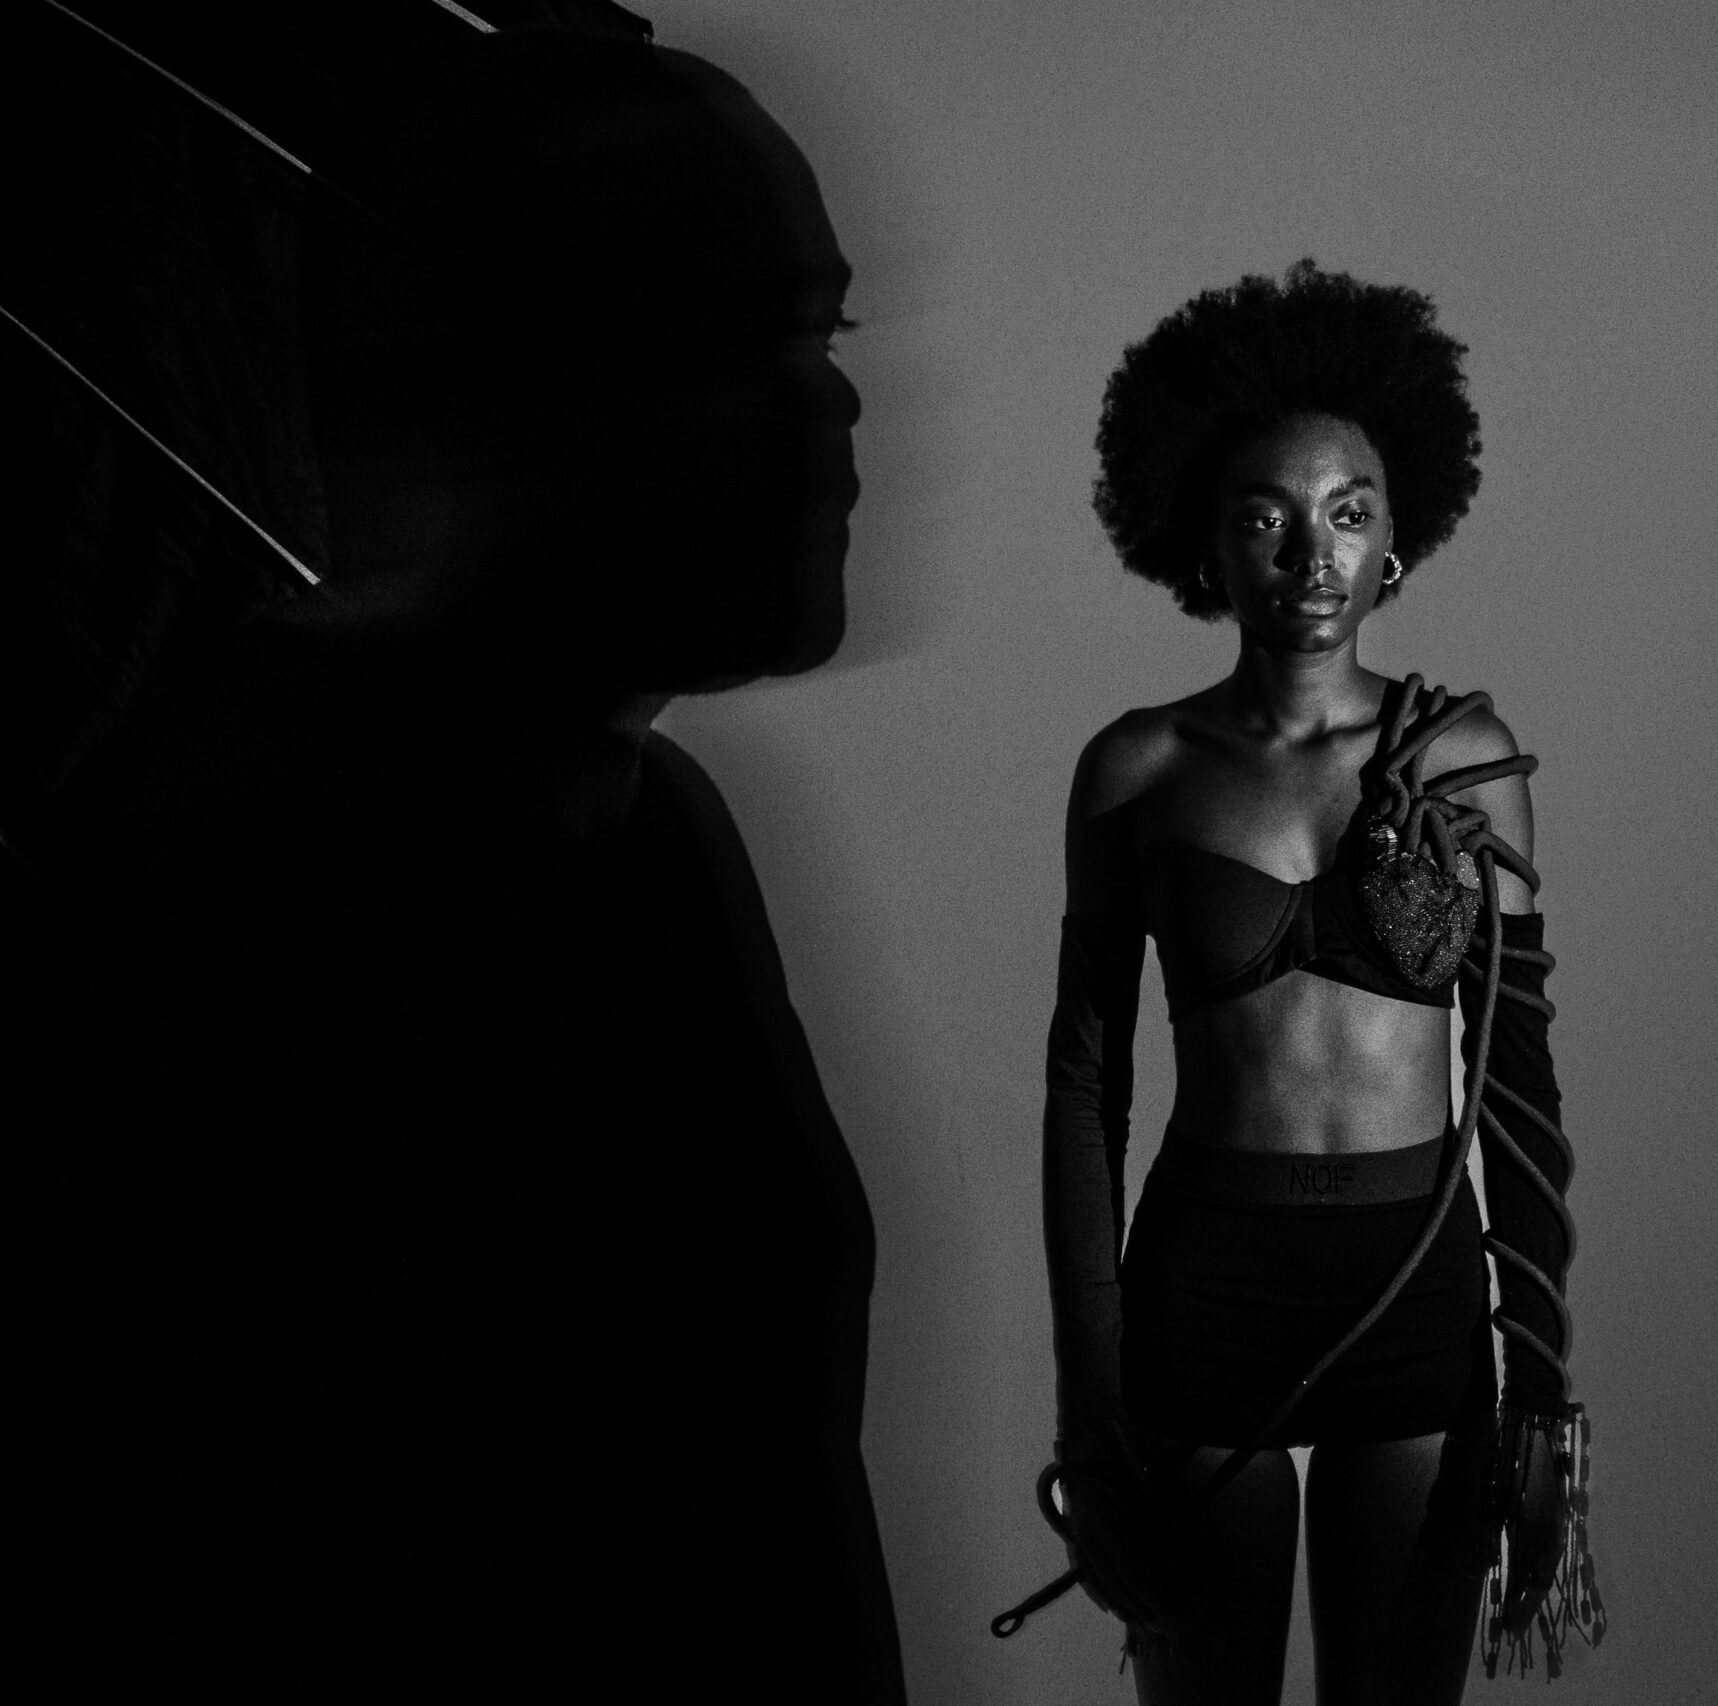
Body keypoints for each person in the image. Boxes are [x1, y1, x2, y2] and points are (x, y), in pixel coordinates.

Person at [21, 26, 903, 1697]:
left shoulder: (656, 838)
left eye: (821, 329)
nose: (833, 400)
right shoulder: (223, 897)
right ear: (516, 388)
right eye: (727, 340)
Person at [1036, 261, 1601, 1701]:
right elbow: (1085, 1091)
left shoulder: (1461, 759)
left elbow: (1516, 1083)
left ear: (1399, 535)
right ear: (1203, 540)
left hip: (1412, 1291)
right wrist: (1089, 1406)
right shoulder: (1138, 768)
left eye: (1350, 513)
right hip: (1203, 1291)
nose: (1312, 555)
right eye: (1267, 518)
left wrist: (1542, 1393)